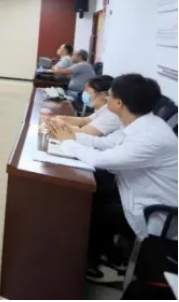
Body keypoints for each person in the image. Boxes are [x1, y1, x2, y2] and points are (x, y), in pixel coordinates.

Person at [51, 74, 178, 283]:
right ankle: (108, 254)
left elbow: (102, 160)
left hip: (155, 213)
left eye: (109, 95)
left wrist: (67, 143)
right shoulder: (141, 123)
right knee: (94, 195)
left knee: (91, 209)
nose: (106, 98)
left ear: (119, 103)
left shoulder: (150, 137)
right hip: (133, 192)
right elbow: (105, 144)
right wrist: (71, 136)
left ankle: (91, 264)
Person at [50, 75, 122, 136]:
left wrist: (56, 125)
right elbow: (85, 121)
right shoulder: (103, 109)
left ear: (102, 94)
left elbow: (83, 132)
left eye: (87, 90)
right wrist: (62, 118)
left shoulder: (111, 115)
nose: (84, 93)